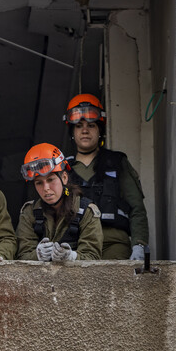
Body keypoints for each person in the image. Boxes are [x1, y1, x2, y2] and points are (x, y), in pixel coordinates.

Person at [63, 94, 149, 260]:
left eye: (91, 125)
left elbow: (136, 208)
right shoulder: (63, 170)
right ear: (72, 132)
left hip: (114, 244)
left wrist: (139, 245)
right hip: (75, 246)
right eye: (79, 126)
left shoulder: (117, 163)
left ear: (100, 130)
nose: (85, 130)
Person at [16, 143, 103, 261]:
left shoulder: (86, 211)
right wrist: (37, 255)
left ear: (64, 178)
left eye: (51, 179)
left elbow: (93, 256)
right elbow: (21, 256)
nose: (46, 188)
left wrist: (72, 257)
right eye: (39, 183)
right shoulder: (29, 213)